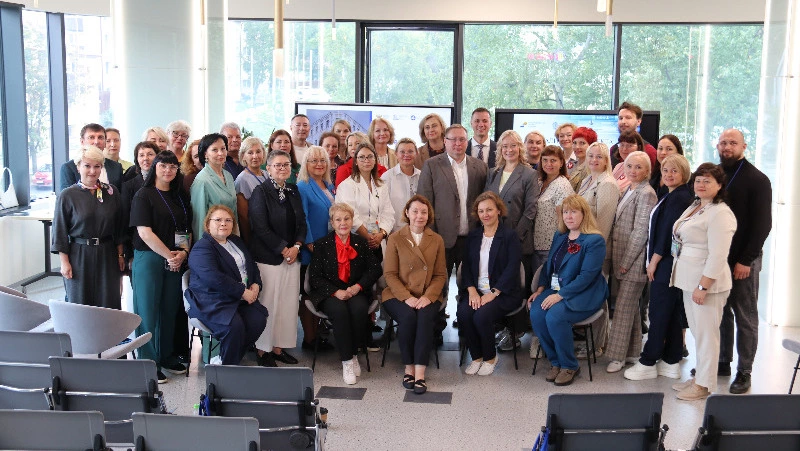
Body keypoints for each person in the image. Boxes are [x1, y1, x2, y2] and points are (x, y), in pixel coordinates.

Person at [670, 163, 737, 401]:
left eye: (708, 181)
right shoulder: (697, 206)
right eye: (698, 179)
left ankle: (704, 386)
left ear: (719, 186)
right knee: (699, 333)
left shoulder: (721, 213)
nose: (701, 184)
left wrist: (703, 286)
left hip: (707, 284)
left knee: (707, 335)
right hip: (689, 280)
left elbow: (718, 255)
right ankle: (699, 378)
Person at [624, 154, 693, 381]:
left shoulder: (679, 197)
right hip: (667, 263)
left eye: (674, 171)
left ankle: (648, 361)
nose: (669, 174)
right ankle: (671, 360)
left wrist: (653, 261)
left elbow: (666, 233)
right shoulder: (673, 195)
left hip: (665, 264)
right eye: (665, 170)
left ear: (684, 173)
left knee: (659, 312)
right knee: (670, 312)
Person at [528, 194, 608, 386]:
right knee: (537, 313)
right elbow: (550, 266)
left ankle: (569, 365)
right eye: (565, 212)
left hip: (584, 293)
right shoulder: (560, 235)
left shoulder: (594, 241)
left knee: (555, 316)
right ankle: (555, 362)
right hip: (555, 289)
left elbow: (586, 277)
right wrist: (540, 289)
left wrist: (560, 295)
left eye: (573, 212)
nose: (568, 216)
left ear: (584, 214)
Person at [716, 128, 772, 394]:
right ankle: (723, 361)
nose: (727, 147)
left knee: (745, 316)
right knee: (722, 313)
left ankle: (744, 371)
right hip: (719, 258)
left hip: (743, 261)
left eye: (733, 143)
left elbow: (763, 225)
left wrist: (746, 260)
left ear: (744, 146)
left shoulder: (757, 179)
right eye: (723, 142)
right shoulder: (714, 175)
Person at [129, 151, 192, 382]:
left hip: (175, 258)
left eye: (173, 167)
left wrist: (183, 252)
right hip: (150, 258)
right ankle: (147, 362)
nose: (168, 170)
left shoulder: (180, 196)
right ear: (155, 167)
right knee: (147, 311)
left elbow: (186, 229)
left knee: (168, 310)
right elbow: (144, 233)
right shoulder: (143, 195)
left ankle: (165, 356)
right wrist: (169, 256)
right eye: (163, 166)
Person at [308, 203, 382, 385]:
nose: (343, 223)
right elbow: (315, 278)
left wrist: (357, 287)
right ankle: (347, 361)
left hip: (355, 290)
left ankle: (354, 353)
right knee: (340, 312)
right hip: (330, 293)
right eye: (338, 219)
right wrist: (335, 291)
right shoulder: (321, 244)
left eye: (347, 219)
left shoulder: (361, 243)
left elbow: (374, 270)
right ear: (332, 223)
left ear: (352, 221)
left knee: (359, 310)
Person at [417, 124, 488, 311]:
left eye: (462, 139)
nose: (458, 143)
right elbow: (424, 203)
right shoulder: (432, 165)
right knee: (439, 285)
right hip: (441, 238)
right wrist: (430, 236)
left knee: (471, 283)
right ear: (445, 142)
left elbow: (485, 202)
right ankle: (437, 328)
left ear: (467, 141)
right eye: (453, 139)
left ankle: (466, 326)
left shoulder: (479, 167)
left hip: (471, 238)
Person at [186, 205, 267, 366]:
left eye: (228, 220)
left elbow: (251, 265)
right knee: (233, 327)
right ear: (208, 224)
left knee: (258, 319)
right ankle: (226, 371)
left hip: (235, 298)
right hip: (210, 299)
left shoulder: (235, 241)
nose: (223, 223)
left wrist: (256, 283)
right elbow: (213, 278)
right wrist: (242, 292)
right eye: (218, 220)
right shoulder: (202, 247)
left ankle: (227, 360)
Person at [382, 195, 447, 394]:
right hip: (397, 293)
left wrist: (428, 296)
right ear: (407, 214)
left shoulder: (436, 240)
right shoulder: (395, 238)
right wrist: (406, 297)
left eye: (424, 212)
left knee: (426, 317)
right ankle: (408, 367)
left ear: (429, 215)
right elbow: (390, 274)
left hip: (428, 293)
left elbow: (440, 274)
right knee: (408, 317)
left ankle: (420, 372)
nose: (420, 216)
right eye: (415, 211)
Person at [248, 150, 306, 367]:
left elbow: (302, 222)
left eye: (286, 164)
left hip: (293, 257)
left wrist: (297, 246)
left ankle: (279, 348)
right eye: (278, 165)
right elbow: (260, 228)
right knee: (269, 304)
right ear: (268, 169)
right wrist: (284, 249)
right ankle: (263, 350)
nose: (283, 168)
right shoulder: (260, 192)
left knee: (288, 305)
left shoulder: (293, 190)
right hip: (268, 258)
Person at [52, 145, 124, 309]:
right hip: (79, 254)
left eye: (97, 166)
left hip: (107, 253)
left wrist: (120, 255)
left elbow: (119, 227)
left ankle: (109, 335)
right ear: (78, 167)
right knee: (80, 302)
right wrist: (64, 262)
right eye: (87, 166)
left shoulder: (112, 192)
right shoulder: (68, 195)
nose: (92, 171)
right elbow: (60, 231)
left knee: (109, 301)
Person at [458, 192, 522, 375]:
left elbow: (512, 268)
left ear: (499, 211)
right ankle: (476, 357)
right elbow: (467, 267)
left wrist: (493, 293)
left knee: (481, 316)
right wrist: (471, 291)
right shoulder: (473, 236)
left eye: (489, 210)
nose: (485, 214)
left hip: (503, 293)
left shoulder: (509, 236)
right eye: (481, 211)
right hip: (476, 290)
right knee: (464, 313)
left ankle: (490, 357)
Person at [606, 151, 657, 373]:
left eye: (638, 167)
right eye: (629, 166)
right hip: (621, 257)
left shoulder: (647, 193)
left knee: (623, 309)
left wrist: (626, 263)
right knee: (631, 310)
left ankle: (616, 357)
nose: (633, 171)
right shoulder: (629, 188)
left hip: (633, 261)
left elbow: (640, 232)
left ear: (647, 171)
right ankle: (633, 352)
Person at [574, 142, 619, 358]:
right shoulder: (587, 180)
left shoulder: (608, 184)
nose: (593, 160)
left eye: (599, 157)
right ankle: (594, 341)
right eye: (591, 156)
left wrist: (589, 252)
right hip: (582, 248)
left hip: (596, 251)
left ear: (606, 160)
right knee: (588, 294)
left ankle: (598, 345)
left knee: (597, 296)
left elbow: (603, 224)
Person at [485, 130, 539, 297]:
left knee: (516, 285)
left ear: (520, 148)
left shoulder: (529, 174)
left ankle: (517, 323)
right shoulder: (493, 172)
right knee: (496, 281)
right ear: (500, 149)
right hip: (495, 236)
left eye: (513, 145)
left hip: (518, 238)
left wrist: (515, 236)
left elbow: (531, 209)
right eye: (505, 146)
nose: (509, 150)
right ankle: (497, 321)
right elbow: (486, 202)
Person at [297, 146, 336, 351]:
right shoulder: (303, 186)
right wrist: (311, 244)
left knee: (319, 292)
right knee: (308, 294)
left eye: (322, 160)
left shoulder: (328, 185)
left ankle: (318, 335)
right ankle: (309, 339)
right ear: (306, 164)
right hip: (311, 250)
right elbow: (302, 218)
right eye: (313, 161)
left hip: (327, 249)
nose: (319, 164)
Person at [335, 142, 395, 260]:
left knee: (380, 275)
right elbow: (350, 216)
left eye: (370, 156)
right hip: (356, 241)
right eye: (361, 157)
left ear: (375, 160)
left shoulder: (381, 185)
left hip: (378, 241)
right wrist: (369, 237)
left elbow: (388, 213)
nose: (366, 160)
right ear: (355, 161)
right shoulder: (347, 185)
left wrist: (381, 235)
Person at [532, 145, 574, 273]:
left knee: (546, 285)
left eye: (553, 160)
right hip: (537, 244)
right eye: (545, 160)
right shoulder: (539, 181)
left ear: (561, 162)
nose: (548, 164)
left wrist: (560, 247)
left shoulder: (562, 185)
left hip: (552, 246)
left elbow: (564, 221)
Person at [190, 133, 237, 241]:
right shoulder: (202, 180)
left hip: (229, 237)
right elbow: (199, 220)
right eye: (215, 150)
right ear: (205, 154)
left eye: (223, 149)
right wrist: (203, 248)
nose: (220, 153)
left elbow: (234, 211)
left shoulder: (228, 176)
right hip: (211, 241)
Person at [121, 142, 160, 272]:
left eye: (150, 154)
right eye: (141, 155)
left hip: (165, 246)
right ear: (136, 159)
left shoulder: (167, 184)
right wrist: (129, 255)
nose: (145, 158)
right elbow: (125, 223)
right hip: (139, 248)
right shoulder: (129, 186)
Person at [60, 124, 123, 191]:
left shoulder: (116, 167)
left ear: (105, 142)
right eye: (91, 137)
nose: (96, 142)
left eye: (100, 137)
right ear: (82, 141)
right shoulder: (69, 168)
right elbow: (67, 199)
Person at [381, 138, 421, 233]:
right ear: (396, 154)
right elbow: (382, 207)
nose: (406, 155)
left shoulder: (422, 176)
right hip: (394, 232)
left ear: (416, 153)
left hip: (418, 230)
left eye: (410, 151)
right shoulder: (387, 177)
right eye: (402, 152)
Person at [234, 136, 268, 244]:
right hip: (256, 235)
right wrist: (249, 242)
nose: (255, 156)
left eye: (258, 151)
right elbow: (243, 216)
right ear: (243, 156)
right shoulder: (242, 179)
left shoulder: (267, 174)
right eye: (250, 152)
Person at [609, 101, 657, 169]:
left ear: (638, 121)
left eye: (628, 118)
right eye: (620, 118)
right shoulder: (614, 150)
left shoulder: (649, 151)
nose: (623, 122)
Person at [568, 127, 597, 192]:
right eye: (574, 143)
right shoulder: (572, 164)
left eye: (582, 143)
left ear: (591, 145)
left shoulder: (591, 168)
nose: (577, 147)